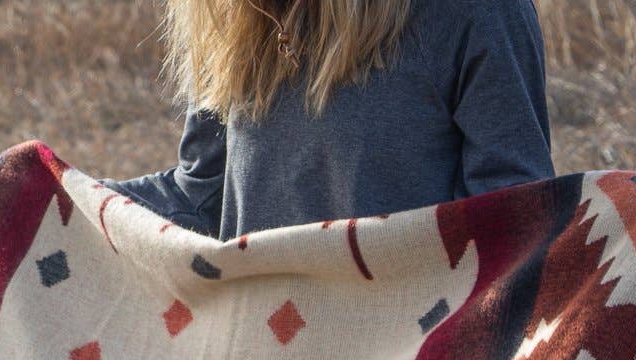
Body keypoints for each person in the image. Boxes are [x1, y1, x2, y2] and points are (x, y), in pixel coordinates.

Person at [106, 0, 554, 240]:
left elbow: (515, 222)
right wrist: (58, 193)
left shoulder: (479, 12)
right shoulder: (233, 18)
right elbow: (201, 197)